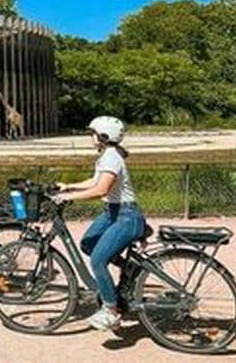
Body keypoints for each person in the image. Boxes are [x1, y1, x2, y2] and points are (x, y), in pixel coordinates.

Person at [52, 116, 146, 330]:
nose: (90, 136)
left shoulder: (112, 157)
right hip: (112, 212)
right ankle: (127, 267)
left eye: (92, 133)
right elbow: (95, 181)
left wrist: (70, 197)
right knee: (88, 244)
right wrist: (68, 186)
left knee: (97, 261)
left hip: (126, 215)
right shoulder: (108, 155)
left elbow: (101, 190)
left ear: (104, 136)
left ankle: (111, 310)